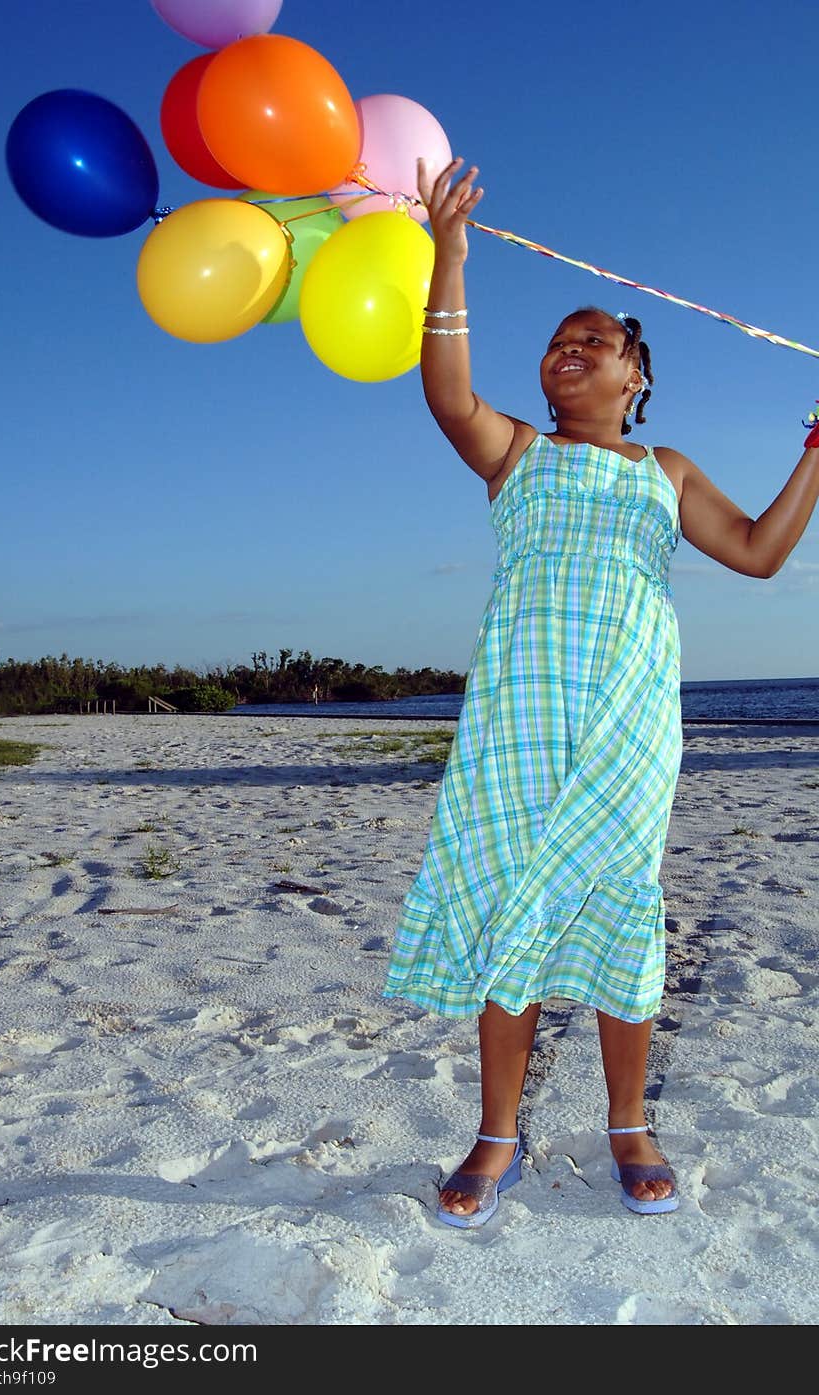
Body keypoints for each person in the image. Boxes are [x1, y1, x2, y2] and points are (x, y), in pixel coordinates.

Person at [382, 156, 819, 1226]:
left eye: (596, 342)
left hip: (628, 722)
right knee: (509, 910)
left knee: (623, 910)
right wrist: (450, 254)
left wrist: (815, 446)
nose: (569, 351)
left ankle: (629, 1123)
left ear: (637, 377)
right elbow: (444, 390)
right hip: (517, 721)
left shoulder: (661, 471)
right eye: (558, 342)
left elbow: (761, 552)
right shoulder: (517, 455)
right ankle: (495, 1134)